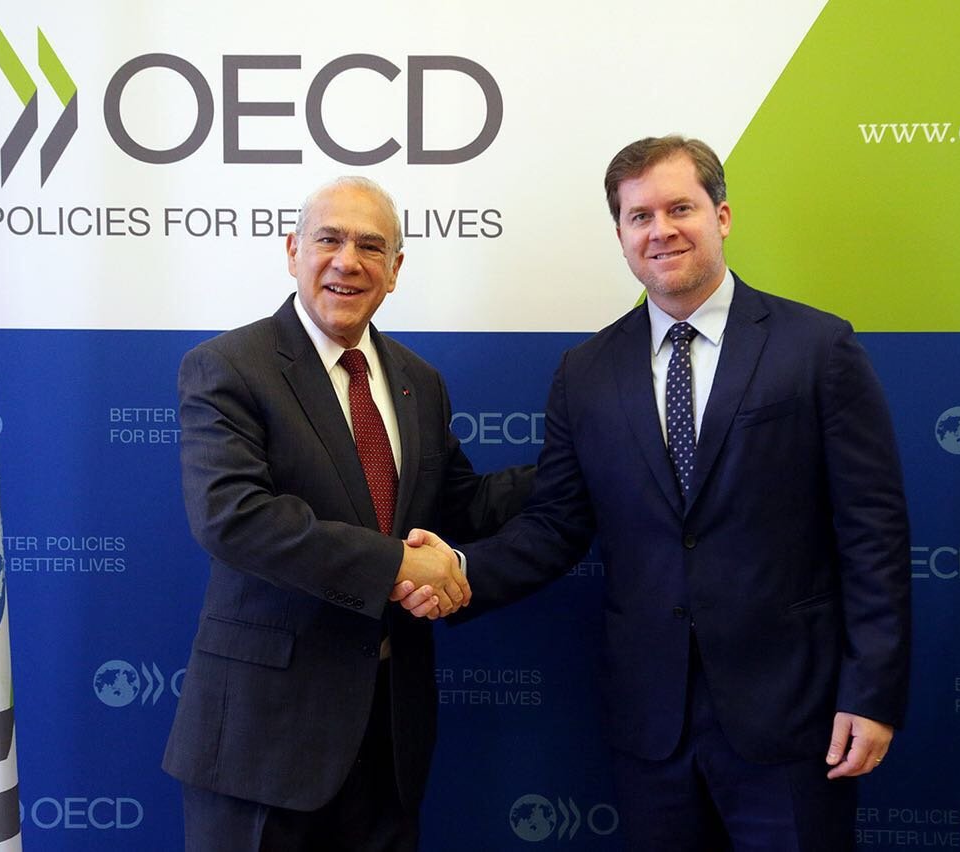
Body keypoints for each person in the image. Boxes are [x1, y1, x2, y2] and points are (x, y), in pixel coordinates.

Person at [406, 136, 911, 850]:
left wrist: (871, 691)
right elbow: (555, 524)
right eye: (639, 216)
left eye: (681, 208)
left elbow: (874, 532)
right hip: (651, 722)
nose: (661, 230)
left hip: (795, 715)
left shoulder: (817, 347)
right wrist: (459, 571)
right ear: (620, 234)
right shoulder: (585, 371)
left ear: (722, 216)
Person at [162, 175, 532, 852]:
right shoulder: (227, 367)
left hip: (389, 735)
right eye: (329, 239)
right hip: (263, 742)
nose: (347, 261)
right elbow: (232, 517)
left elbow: (461, 504)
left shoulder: (419, 381)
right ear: (292, 251)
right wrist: (398, 566)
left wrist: (582, 464)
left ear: (395, 269)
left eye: (370, 246)